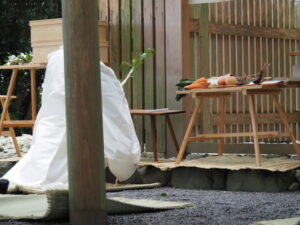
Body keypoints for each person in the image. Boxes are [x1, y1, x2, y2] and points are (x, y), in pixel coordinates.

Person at [0, 46, 140, 192]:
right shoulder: (87, 64)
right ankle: (22, 181)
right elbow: (112, 103)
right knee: (59, 156)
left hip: (55, 115)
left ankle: (15, 181)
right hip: (69, 116)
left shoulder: (56, 60)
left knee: (45, 152)